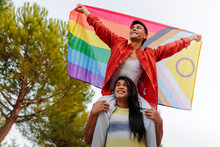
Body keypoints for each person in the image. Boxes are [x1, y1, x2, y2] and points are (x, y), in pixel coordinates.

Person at [76, 4, 202, 147]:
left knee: (150, 116)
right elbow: (100, 28)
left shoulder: (150, 54)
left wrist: (191, 38)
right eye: (132, 28)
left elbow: (171, 48)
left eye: (138, 28)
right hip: (112, 93)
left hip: (134, 94)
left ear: (145, 36)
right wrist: (85, 11)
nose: (134, 29)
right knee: (102, 113)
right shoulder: (118, 43)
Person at [87, 76, 157, 147]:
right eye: (118, 85)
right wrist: (92, 113)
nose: (120, 87)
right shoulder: (106, 112)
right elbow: (88, 140)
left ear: (131, 91)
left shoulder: (142, 114)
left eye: (125, 85)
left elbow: (153, 142)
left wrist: (159, 123)